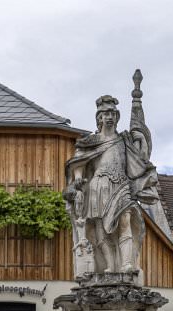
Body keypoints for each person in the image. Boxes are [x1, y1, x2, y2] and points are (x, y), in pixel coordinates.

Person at [65, 95, 158, 275]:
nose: (109, 117)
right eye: (105, 114)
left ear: (116, 117)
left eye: (112, 114)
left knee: (125, 222)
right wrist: (77, 177)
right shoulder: (91, 142)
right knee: (101, 231)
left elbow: (139, 159)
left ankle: (126, 265)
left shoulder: (124, 140)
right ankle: (109, 266)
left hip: (121, 186)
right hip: (98, 188)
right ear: (99, 118)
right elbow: (78, 162)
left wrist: (140, 137)